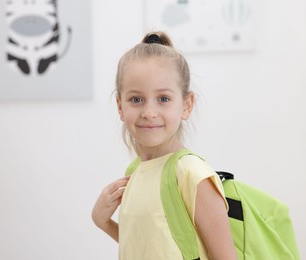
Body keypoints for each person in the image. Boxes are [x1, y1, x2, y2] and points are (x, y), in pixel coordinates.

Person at [92, 31, 237, 259]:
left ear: (187, 105)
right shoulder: (134, 172)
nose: (149, 113)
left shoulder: (191, 174)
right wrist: (102, 222)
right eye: (136, 99)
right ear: (120, 106)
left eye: (163, 99)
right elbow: (149, 246)